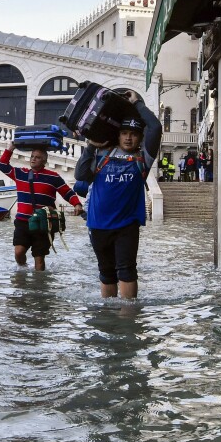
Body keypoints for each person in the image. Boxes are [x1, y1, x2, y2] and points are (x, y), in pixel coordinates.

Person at [74, 90, 162, 299]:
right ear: (118, 135)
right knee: (106, 273)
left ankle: (128, 319)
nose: (129, 138)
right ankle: (108, 316)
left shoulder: (143, 158)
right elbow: (80, 174)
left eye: (133, 134)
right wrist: (90, 147)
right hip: (97, 225)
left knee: (127, 270)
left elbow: (156, 127)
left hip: (127, 225)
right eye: (124, 133)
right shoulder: (101, 154)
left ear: (140, 137)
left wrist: (138, 103)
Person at [0, 146, 83, 271]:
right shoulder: (20, 173)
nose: (33, 159)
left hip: (44, 223)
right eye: (32, 156)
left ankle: (38, 287)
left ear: (44, 161)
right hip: (22, 222)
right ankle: (23, 271)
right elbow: (2, 165)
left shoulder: (53, 177)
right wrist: (11, 148)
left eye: (37, 157)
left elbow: (67, 192)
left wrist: (77, 204)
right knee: (19, 252)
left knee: (39, 259)